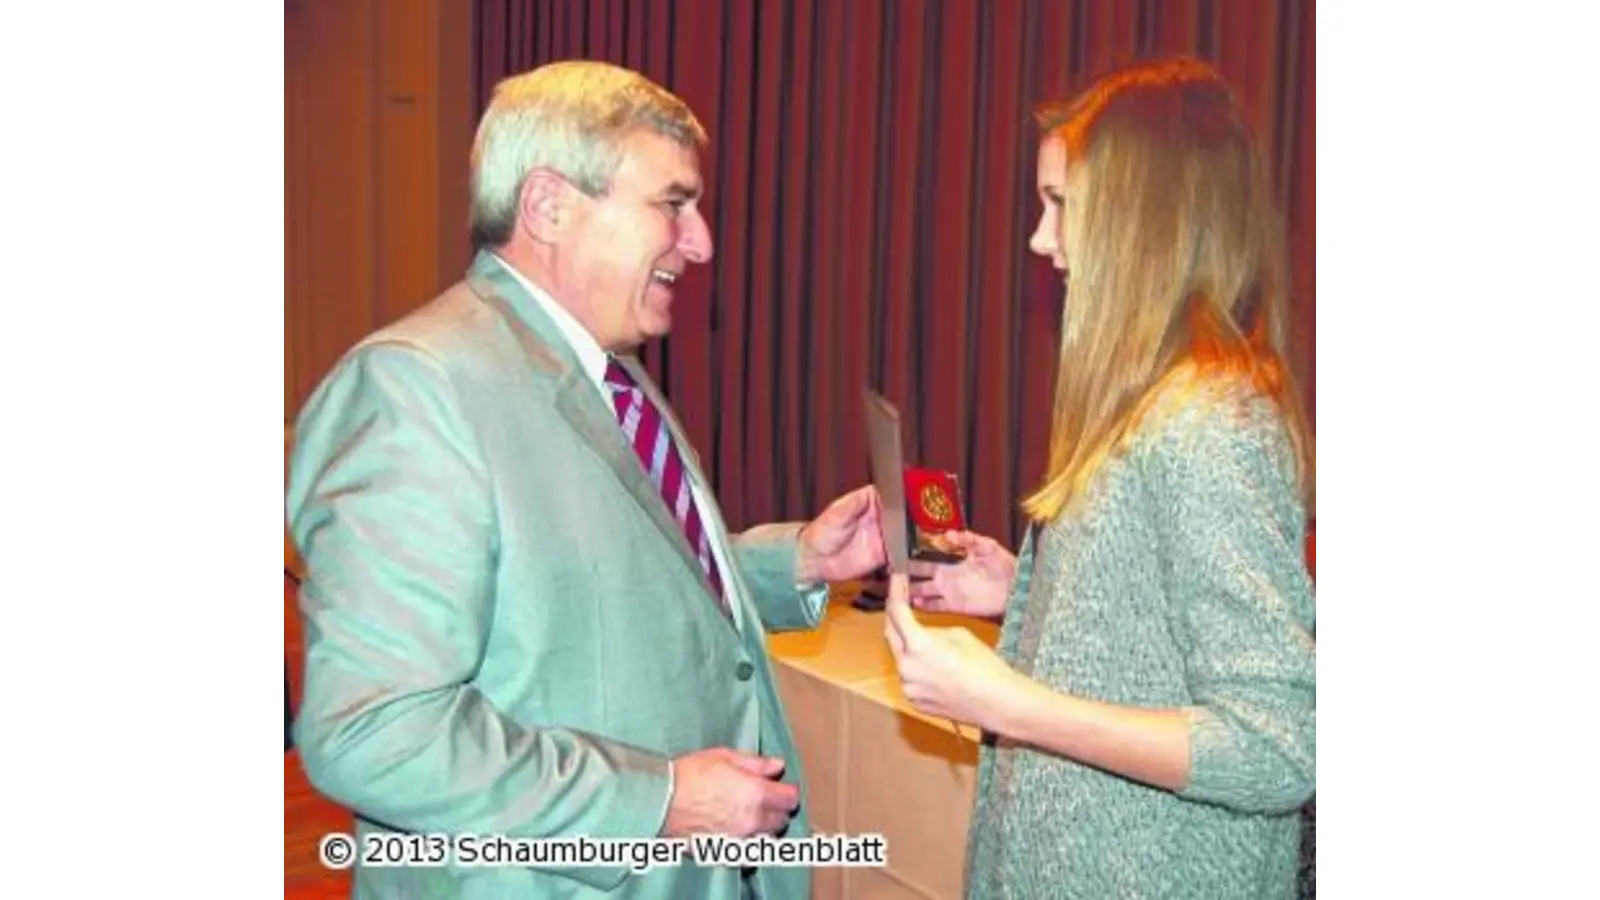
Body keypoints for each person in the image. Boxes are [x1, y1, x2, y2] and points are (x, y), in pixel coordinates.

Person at [286, 60, 886, 900]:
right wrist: (659, 799)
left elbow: (588, 586)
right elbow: (376, 731)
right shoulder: (415, 388)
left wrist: (797, 566)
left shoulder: (609, 370)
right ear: (548, 206)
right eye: (673, 204)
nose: (703, 240)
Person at [881, 57, 1316, 899]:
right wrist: (1031, 596)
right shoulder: (1149, 397)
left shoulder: (1207, 423)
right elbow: (1161, 630)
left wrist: (1009, 703)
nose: (1040, 240)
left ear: (1142, 221)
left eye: (1061, 206)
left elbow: (1281, 746)